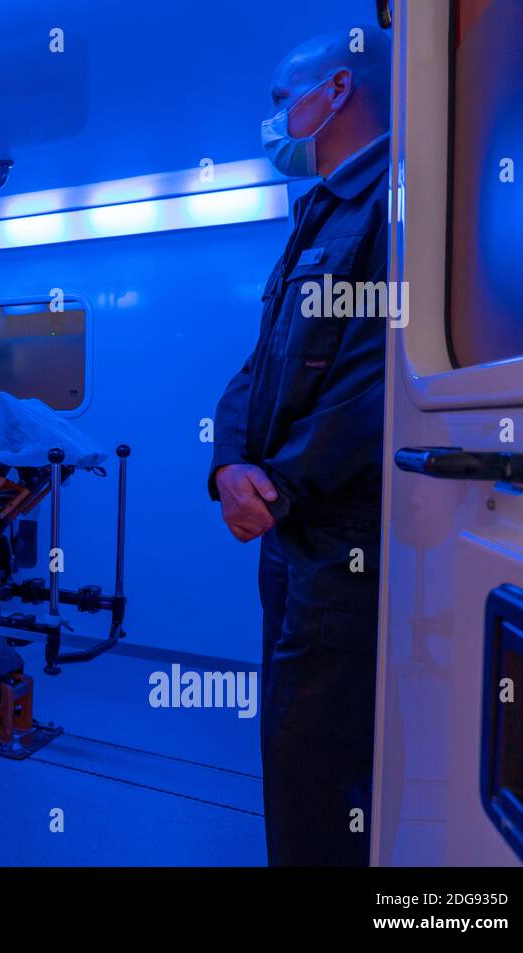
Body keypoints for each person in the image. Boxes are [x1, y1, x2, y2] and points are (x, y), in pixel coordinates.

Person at [209, 27, 392, 866]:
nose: (276, 119)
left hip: (341, 537)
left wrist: (277, 480)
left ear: (339, 89)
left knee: (313, 755)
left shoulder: (396, 200)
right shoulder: (315, 211)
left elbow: (378, 382)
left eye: (283, 100)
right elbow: (262, 363)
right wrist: (227, 464)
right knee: (289, 739)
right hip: (288, 534)